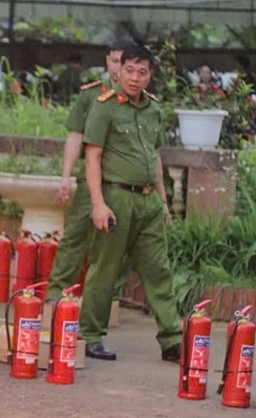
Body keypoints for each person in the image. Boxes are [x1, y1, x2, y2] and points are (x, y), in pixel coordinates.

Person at [78, 45, 183, 362]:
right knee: (105, 268)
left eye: (142, 72)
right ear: (119, 70)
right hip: (116, 199)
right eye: (129, 71)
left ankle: (172, 340)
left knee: (159, 271)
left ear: (150, 75)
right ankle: (91, 336)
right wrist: (98, 204)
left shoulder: (154, 109)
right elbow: (92, 157)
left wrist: (163, 201)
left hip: (149, 201)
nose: (135, 78)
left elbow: (155, 156)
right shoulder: (104, 107)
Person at [44, 38, 130, 305]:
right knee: (75, 237)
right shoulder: (90, 95)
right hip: (91, 178)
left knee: (117, 243)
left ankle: (103, 299)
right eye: (114, 61)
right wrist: (65, 177)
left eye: (124, 62)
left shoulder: (138, 100)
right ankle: (56, 296)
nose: (118, 68)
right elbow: (75, 137)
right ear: (107, 61)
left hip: (123, 182)